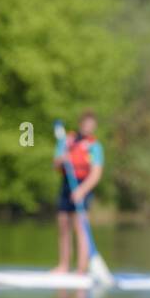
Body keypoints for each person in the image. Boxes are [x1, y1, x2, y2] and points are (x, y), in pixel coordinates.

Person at [52, 111, 104, 274]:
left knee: (80, 226)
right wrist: (63, 159)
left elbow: (96, 173)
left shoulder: (94, 146)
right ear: (81, 123)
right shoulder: (67, 141)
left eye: (92, 125)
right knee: (63, 223)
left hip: (83, 184)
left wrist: (82, 191)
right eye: (86, 124)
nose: (89, 127)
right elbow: (56, 164)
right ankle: (64, 266)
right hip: (67, 183)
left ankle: (81, 269)